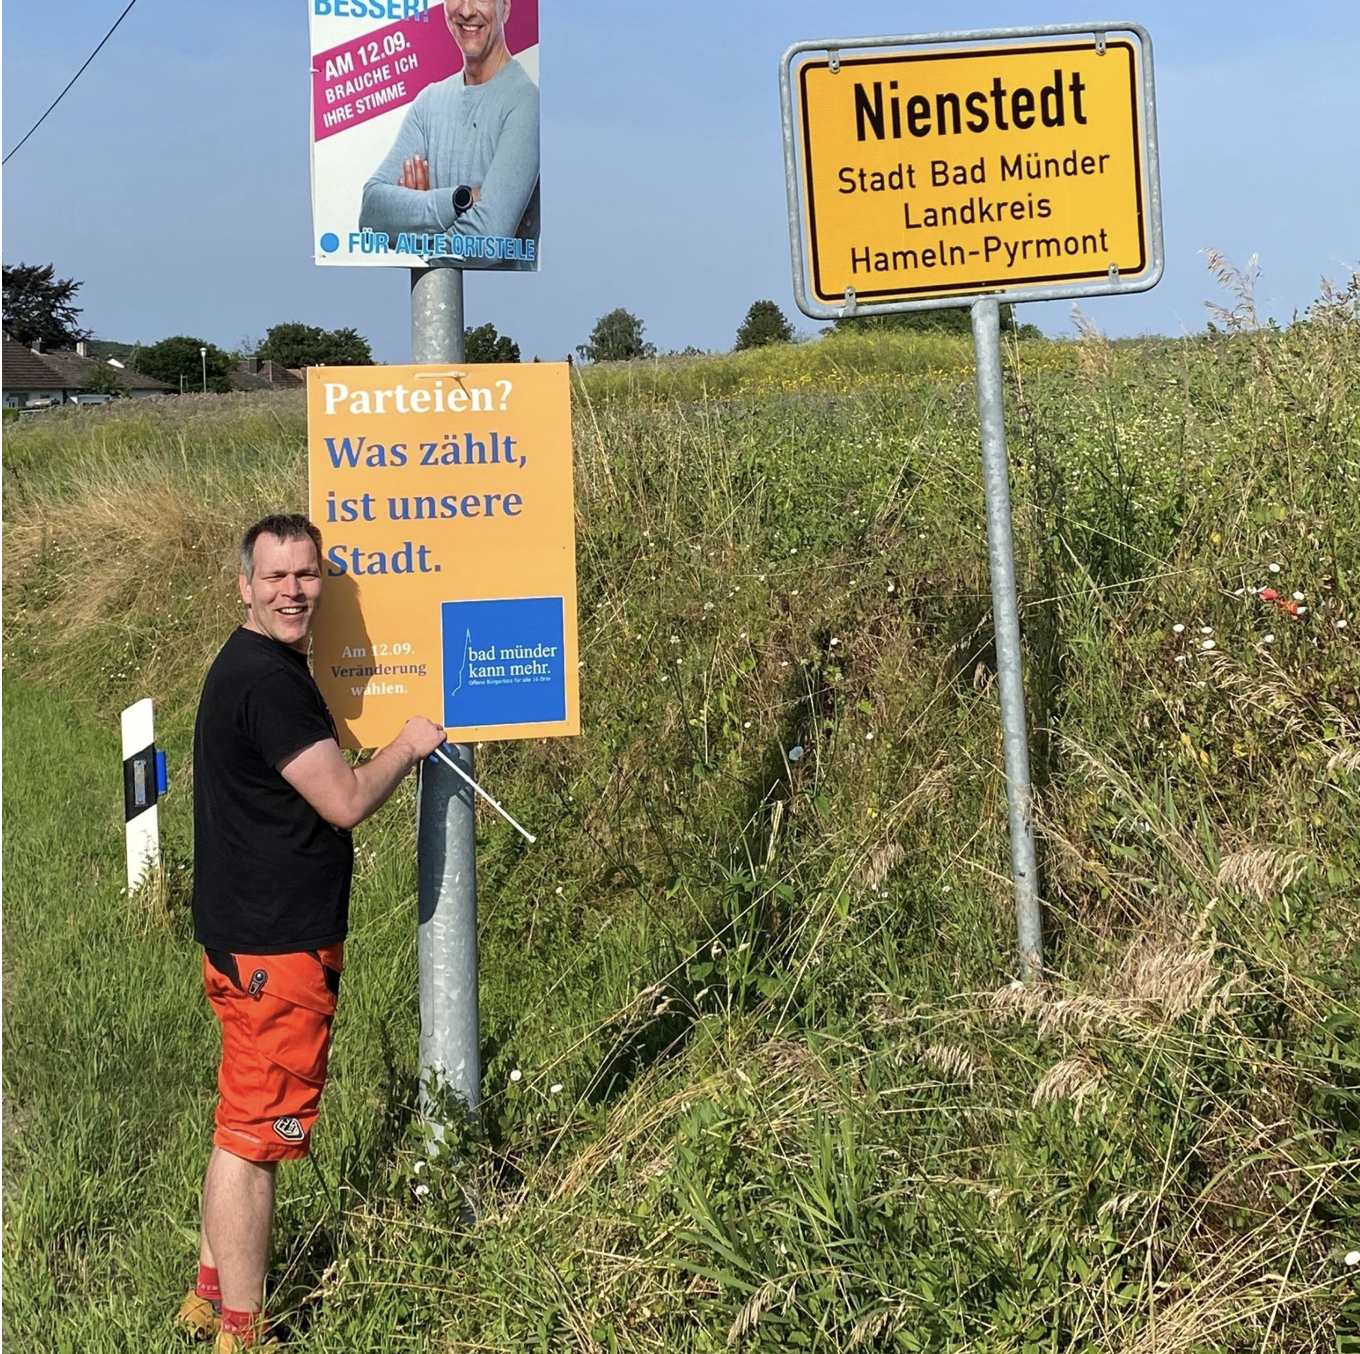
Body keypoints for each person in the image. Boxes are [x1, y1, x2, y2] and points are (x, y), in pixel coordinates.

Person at [176, 514, 445, 1351]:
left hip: (249, 941)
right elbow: (346, 800)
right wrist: (407, 744)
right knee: (253, 1144)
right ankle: (243, 1332)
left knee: (241, 1122)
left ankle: (207, 1298)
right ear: (244, 586)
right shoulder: (268, 682)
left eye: (306, 575)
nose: (293, 591)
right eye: (276, 577)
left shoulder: (249, 664)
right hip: (275, 950)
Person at [358, 0, 540, 270]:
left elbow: (486, 242)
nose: (466, 11)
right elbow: (371, 214)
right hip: (433, 291)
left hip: (501, 294)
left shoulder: (525, 102)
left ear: (505, 7)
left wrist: (415, 224)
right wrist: (459, 199)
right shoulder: (430, 101)